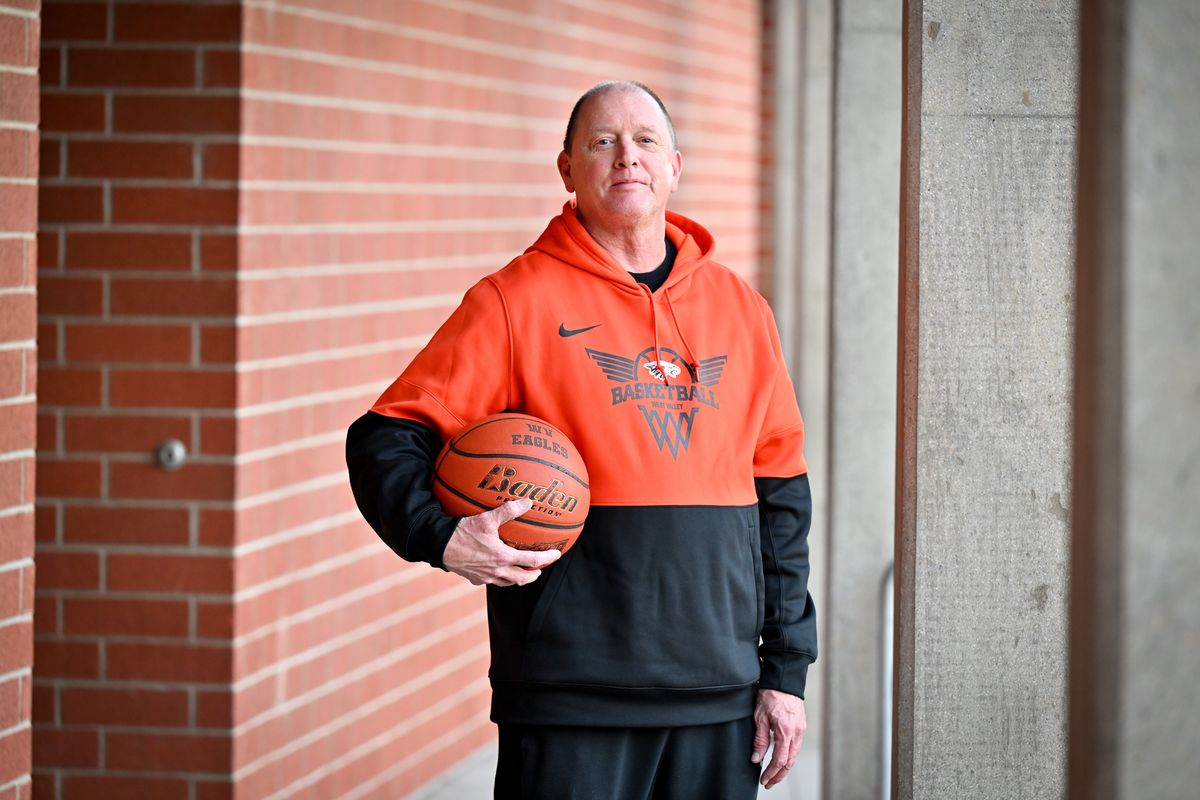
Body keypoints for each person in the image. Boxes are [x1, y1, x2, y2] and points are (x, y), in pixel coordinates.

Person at [346, 80, 816, 798]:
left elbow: (781, 499)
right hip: (571, 691)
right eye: (602, 142)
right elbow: (385, 437)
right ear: (567, 169)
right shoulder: (513, 301)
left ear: (675, 167)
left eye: (645, 141)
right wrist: (442, 536)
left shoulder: (741, 311)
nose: (627, 157)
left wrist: (784, 672)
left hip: (719, 689)